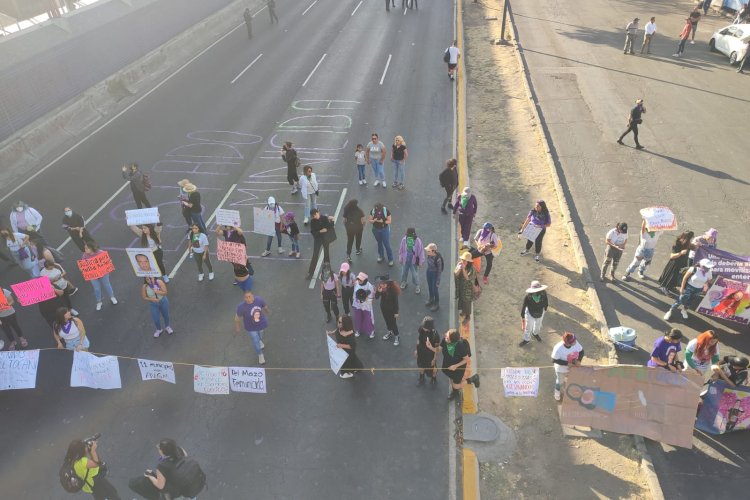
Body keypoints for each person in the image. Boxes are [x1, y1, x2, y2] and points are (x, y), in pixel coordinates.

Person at [441, 329, 479, 401]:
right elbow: (438, 349)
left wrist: (455, 366)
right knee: (451, 378)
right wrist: (431, 347)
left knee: (456, 385)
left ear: (452, 341)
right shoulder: (445, 340)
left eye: (447, 337)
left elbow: (466, 359)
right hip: (448, 364)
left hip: (457, 368)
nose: (445, 336)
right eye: (447, 334)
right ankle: (455, 391)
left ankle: (473, 379)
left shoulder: (460, 346)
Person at [235, 291, 270, 365]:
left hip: (261, 323)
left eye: (249, 296)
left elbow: (265, 306)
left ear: (253, 296)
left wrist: (267, 311)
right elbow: (237, 317)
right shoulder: (241, 307)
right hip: (251, 327)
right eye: (246, 297)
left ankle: (260, 340)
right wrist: (237, 326)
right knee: (255, 341)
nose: (248, 299)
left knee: (260, 335)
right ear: (244, 298)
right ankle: (260, 355)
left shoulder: (259, 300)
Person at [81, 240, 118, 311]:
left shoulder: (100, 252)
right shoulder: (85, 255)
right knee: (96, 288)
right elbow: (83, 265)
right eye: (85, 248)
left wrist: (109, 262)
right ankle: (99, 302)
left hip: (103, 273)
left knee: (107, 285)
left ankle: (112, 297)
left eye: (87, 248)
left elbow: (107, 260)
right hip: (93, 275)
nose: (85, 250)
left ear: (91, 248)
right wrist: (83, 269)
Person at [216, 225, 253, 290]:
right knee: (236, 266)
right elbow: (217, 232)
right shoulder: (225, 232)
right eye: (226, 226)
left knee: (244, 266)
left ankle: (248, 273)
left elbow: (241, 232)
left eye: (228, 225)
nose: (226, 227)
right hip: (232, 254)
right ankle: (238, 277)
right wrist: (220, 225)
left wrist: (234, 225)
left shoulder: (236, 232)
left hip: (240, 253)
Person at [551, 332, 584, 401]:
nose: (576, 342)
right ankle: (557, 392)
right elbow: (554, 360)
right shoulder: (558, 348)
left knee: (571, 378)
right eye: (573, 341)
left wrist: (579, 361)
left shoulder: (575, 342)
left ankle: (570, 389)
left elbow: (581, 351)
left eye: (575, 340)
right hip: (561, 369)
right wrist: (567, 363)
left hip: (572, 367)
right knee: (560, 382)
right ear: (567, 343)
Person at [519, 280, 549, 346]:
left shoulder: (543, 293)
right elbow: (524, 306)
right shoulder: (528, 297)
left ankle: (535, 333)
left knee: (538, 325)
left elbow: (546, 300)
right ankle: (526, 339)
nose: (537, 292)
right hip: (530, 313)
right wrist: (522, 315)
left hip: (540, 312)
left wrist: (546, 307)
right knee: (528, 327)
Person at [307, 209, 334, 280]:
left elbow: (330, 227)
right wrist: (320, 231)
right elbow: (313, 232)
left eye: (316, 214)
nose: (315, 217)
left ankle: (327, 271)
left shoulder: (324, 218)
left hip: (325, 239)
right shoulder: (312, 222)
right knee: (315, 255)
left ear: (318, 213)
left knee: (326, 255)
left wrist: (332, 220)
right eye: (313, 216)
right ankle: (310, 273)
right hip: (318, 240)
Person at [455, 251, 479, 325]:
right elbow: (455, 274)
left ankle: (467, 317)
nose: (463, 261)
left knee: (467, 304)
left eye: (465, 260)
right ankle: (463, 312)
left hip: (468, 290)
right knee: (462, 301)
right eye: (462, 260)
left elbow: (468, 278)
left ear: (469, 262)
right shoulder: (460, 265)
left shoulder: (472, 269)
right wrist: (459, 269)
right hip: (461, 288)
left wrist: (463, 269)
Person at [415, 316, 441, 386]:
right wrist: (417, 350)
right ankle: (422, 377)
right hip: (421, 352)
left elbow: (437, 349)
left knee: (433, 369)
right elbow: (418, 339)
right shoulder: (421, 329)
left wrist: (434, 359)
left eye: (425, 327)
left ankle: (433, 378)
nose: (423, 327)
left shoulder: (435, 335)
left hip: (430, 355)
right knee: (421, 366)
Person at [398, 227, 425, 293]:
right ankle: (404, 282)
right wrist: (400, 258)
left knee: (415, 274)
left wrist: (421, 261)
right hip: (406, 259)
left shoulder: (418, 240)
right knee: (403, 272)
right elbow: (401, 249)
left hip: (414, 261)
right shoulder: (404, 239)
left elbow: (421, 251)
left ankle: (417, 285)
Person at [376, 277, 401, 346]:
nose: (382, 285)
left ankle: (397, 336)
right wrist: (378, 291)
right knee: (387, 321)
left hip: (392, 310)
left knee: (393, 323)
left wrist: (396, 312)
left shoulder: (393, 291)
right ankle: (390, 332)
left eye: (384, 284)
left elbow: (396, 303)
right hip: (383, 308)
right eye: (381, 283)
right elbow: (376, 297)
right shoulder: (381, 289)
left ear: (388, 283)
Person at [352, 272, 375, 338]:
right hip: (357, 305)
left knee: (368, 318)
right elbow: (354, 293)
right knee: (358, 317)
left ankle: (371, 331)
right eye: (358, 279)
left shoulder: (369, 286)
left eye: (361, 279)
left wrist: (365, 299)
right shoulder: (356, 283)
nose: (359, 280)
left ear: (365, 280)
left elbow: (371, 298)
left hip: (366, 306)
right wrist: (355, 300)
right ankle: (358, 330)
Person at [424, 243, 444, 312]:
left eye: (428, 251)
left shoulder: (438, 259)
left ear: (433, 251)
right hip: (429, 272)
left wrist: (438, 281)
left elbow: (439, 271)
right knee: (430, 287)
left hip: (435, 274)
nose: (427, 252)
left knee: (435, 289)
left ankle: (436, 303)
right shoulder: (429, 256)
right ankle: (431, 299)